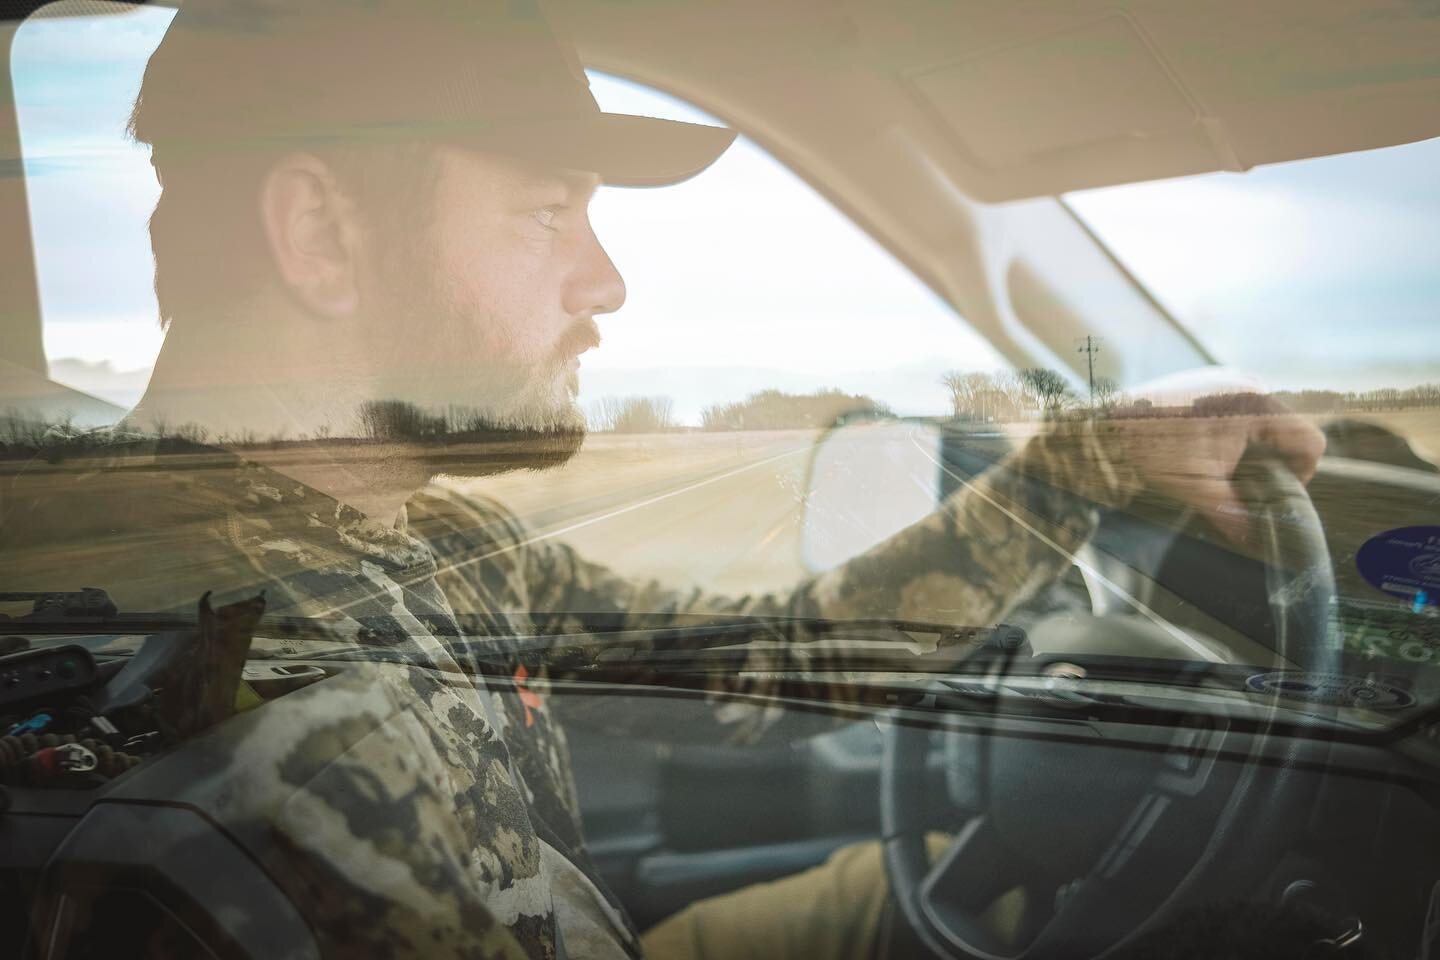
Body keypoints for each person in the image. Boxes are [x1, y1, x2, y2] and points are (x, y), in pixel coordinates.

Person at [0, 1, 1327, 957]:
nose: (606, 284)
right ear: (319, 233)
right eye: (545, 213)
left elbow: (776, 664)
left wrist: (1092, 452)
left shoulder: (441, 535)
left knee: (926, 885)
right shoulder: (157, 659)